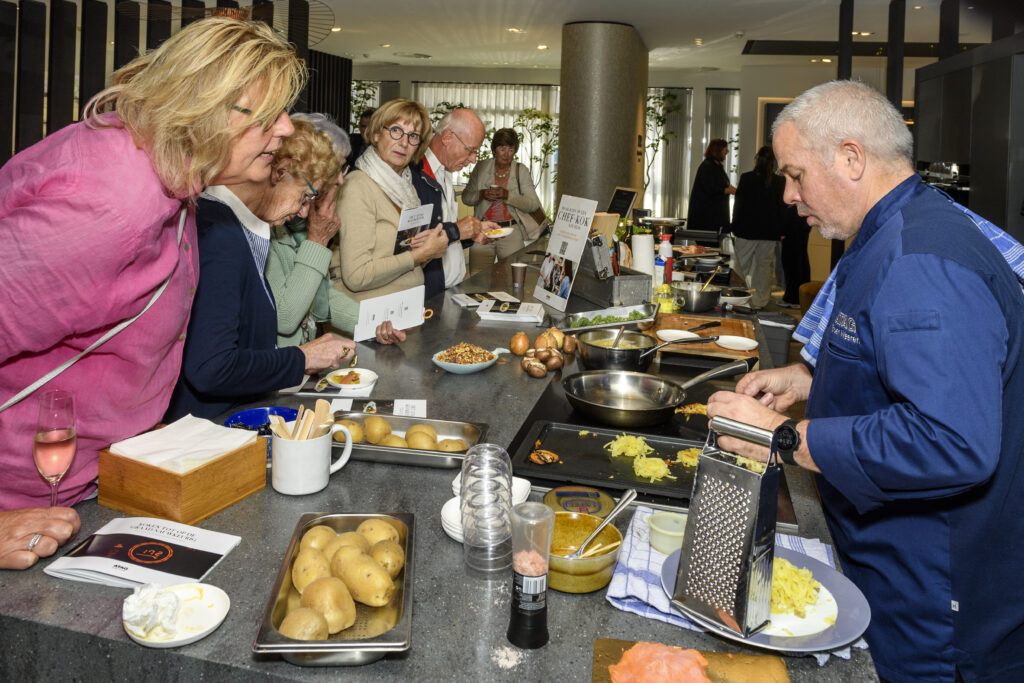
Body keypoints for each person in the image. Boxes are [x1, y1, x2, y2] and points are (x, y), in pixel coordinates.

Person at [706, 80, 1024, 682]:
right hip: (887, 564)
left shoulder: (923, 262)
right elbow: (889, 358)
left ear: (852, 157)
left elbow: (951, 441)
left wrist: (783, 437)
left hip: (934, 596)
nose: (790, 196)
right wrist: (804, 381)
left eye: (797, 175)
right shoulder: (884, 231)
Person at [0, 18, 304, 568]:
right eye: (266, 114)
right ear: (205, 105)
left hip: (97, 480)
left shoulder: (167, 172)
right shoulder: (114, 203)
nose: (285, 129)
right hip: (27, 505)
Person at [166, 118, 358, 421]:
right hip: (209, 428)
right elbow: (211, 368)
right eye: (307, 196)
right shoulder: (220, 234)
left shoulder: (234, 226)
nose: (304, 211)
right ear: (278, 173)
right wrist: (302, 358)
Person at [267, 115, 405, 346]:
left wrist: (375, 324)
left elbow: (323, 297)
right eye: (335, 169)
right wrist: (318, 240)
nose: (341, 179)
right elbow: (285, 316)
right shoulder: (273, 222)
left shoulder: (301, 218)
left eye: (343, 168)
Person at [332, 99, 449, 303]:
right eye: (396, 130)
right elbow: (357, 276)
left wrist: (429, 250)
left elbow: (403, 254)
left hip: (404, 312)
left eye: (413, 136)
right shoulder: (357, 187)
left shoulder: (407, 187)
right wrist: (419, 256)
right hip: (368, 321)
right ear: (376, 134)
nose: (404, 143)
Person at [409, 108, 495, 293]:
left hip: (450, 289)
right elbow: (413, 242)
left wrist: (471, 234)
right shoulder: (415, 176)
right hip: (428, 294)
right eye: (470, 150)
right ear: (447, 137)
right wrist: (457, 230)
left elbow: (444, 234)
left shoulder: (445, 172)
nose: (473, 159)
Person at [463, 127, 544, 274]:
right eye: (502, 148)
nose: (506, 154)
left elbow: (532, 205)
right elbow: (466, 197)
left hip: (511, 231)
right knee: (477, 278)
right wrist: (481, 194)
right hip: (484, 230)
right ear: (494, 149)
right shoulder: (481, 167)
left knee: (513, 276)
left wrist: (508, 195)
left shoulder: (521, 170)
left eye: (511, 149)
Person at [730, 146, 788, 309]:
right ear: (773, 162)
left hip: (746, 231)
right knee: (764, 269)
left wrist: (734, 225)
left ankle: (737, 298)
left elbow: (739, 205)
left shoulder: (747, 178)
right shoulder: (779, 182)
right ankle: (759, 301)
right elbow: (781, 208)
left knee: (740, 267)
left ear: (757, 160)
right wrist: (782, 230)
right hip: (769, 232)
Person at [686, 138, 735, 232]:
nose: (727, 151)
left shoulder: (716, 166)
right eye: (725, 148)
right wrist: (727, 190)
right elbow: (711, 189)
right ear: (718, 150)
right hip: (706, 219)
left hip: (713, 217)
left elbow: (722, 185)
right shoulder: (707, 166)